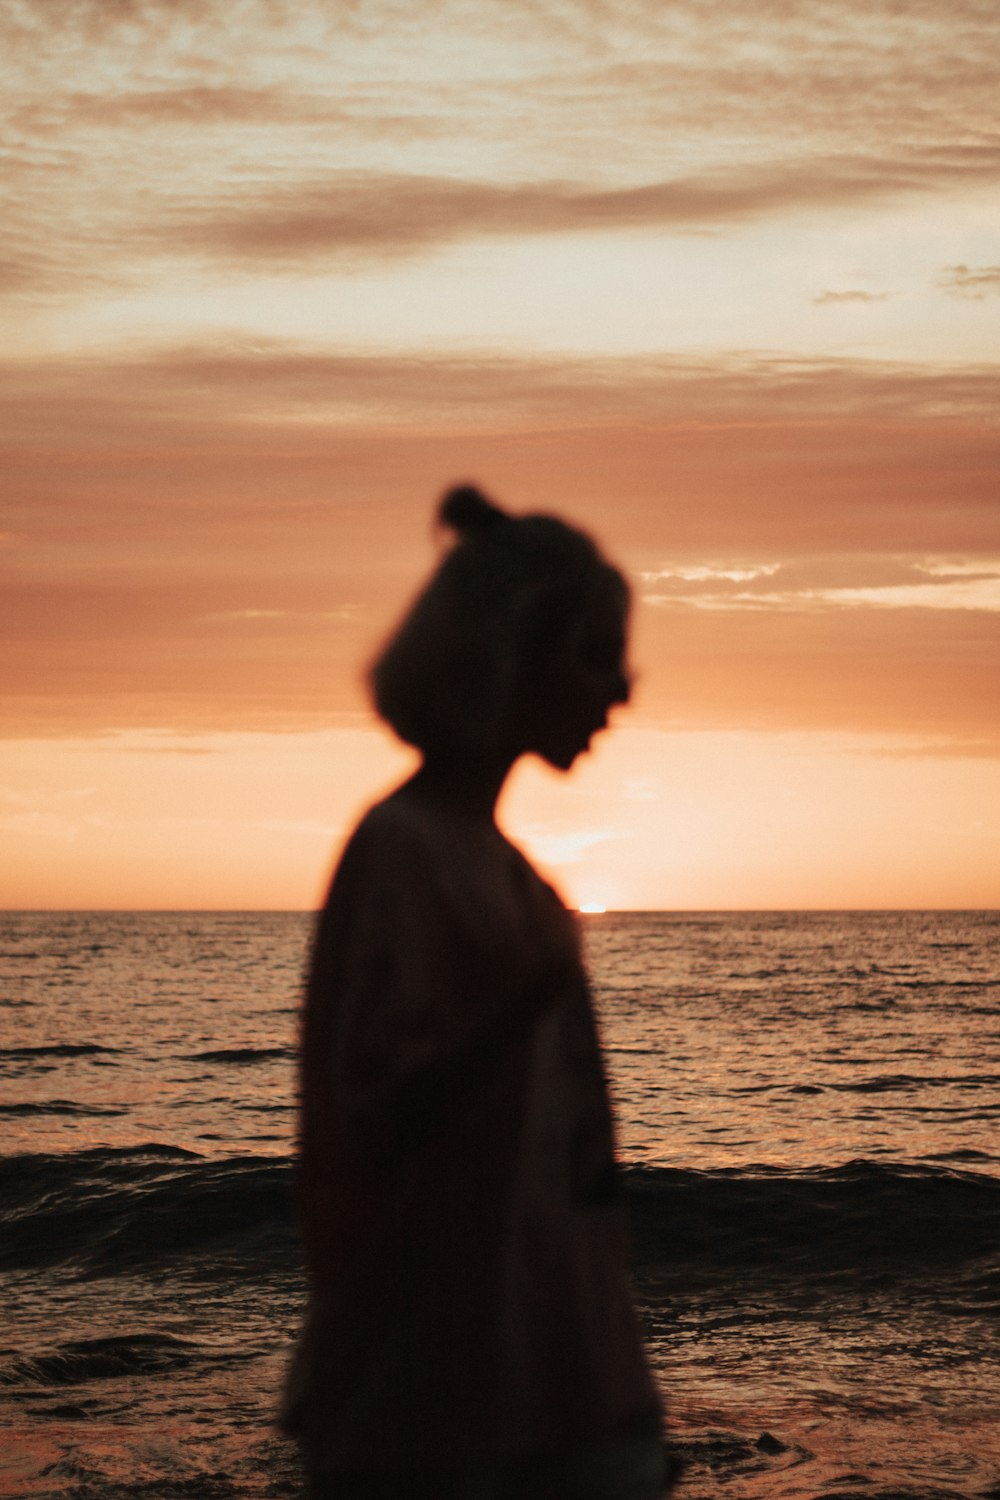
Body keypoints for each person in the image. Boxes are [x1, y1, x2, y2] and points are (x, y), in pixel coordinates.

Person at [281, 484, 670, 1498]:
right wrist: (519, 1001)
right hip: (435, 1402)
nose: (620, 690)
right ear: (513, 655)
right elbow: (371, 1118)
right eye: (594, 653)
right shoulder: (402, 855)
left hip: (553, 1388)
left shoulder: (511, 875)